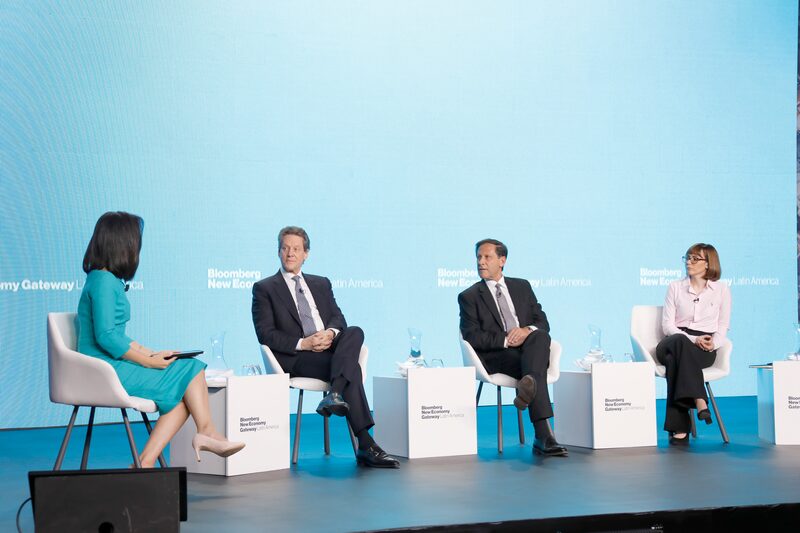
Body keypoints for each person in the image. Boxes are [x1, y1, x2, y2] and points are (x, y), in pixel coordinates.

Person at [77, 211, 244, 467]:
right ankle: (205, 433)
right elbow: (107, 337)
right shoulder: (102, 281)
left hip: (108, 362)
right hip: (101, 368)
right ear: (121, 244)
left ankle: (146, 462)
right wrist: (147, 362)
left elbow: (117, 335)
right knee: (189, 371)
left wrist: (151, 354)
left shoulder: (105, 279)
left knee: (184, 382)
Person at [251, 226, 399, 468]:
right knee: (348, 368)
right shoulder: (265, 288)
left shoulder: (321, 283)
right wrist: (304, 343)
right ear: (278, 252)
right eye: (285, 248)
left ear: (306, 254)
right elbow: (265, 334)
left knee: (355, 332)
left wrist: (329, 334)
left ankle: (335, 394)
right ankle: (365, 444)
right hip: (297, 356)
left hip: (330, 347)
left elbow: (338, 319)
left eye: (296, 249)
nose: (290, 253)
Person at [458, 238, 567, 457]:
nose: (481, 262)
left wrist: (525, 331)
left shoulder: (522, 286)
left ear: (502, 260)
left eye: (487, 257)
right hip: (498, 355)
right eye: (478, 257)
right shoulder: (469, 296)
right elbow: (472, 336)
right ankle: (543, 435)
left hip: (529, 350)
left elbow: (542, 322)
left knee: (540, 336)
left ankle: (528, 392)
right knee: (534, 370)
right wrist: (507, 339)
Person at [657, 243, 731, 446]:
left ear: (708, 264)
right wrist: (692, 339)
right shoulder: (675, 287)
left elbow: (723, 325)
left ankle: (679, 428)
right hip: (673, 341)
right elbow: (667, 326)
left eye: (695, 259)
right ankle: (699, 399)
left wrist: (713, 343)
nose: (689, 262)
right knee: (678, 345)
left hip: (704, 347)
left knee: (675, 363)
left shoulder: (722, 290)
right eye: (687, 258)